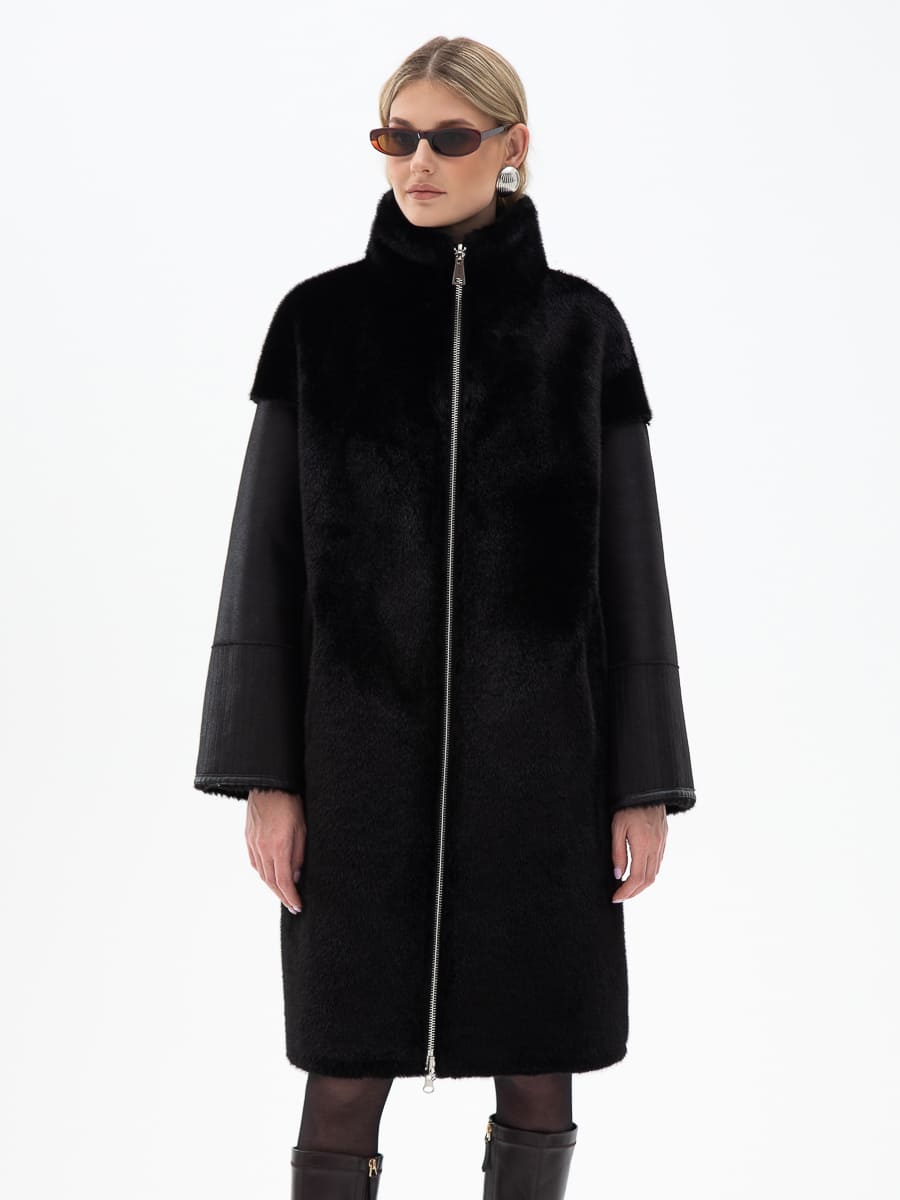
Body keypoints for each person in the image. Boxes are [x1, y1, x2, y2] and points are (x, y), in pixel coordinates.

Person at [193, 35, 697, 1200]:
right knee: (341, 1069)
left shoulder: (581, 333)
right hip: (355, 769)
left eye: (449, 138)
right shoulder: (318, 324)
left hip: (543, 776)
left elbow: (633, 576)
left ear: (511, 147)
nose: (417, 162)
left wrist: (642, 785)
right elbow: (264, 565)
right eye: (397, 137)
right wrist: (267, 776)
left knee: (539, 1066)